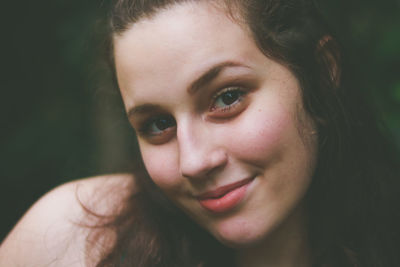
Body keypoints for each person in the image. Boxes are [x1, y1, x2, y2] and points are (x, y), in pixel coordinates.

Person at [0, 0, 399, 266]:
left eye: (227, 98)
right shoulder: (75, 241)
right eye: (157, 125)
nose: (192, 162)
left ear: (321, 76)